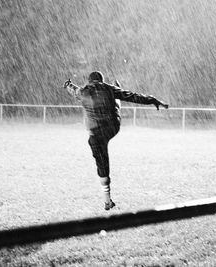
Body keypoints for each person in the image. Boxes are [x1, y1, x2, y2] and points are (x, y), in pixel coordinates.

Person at [64, 71, 169, 210]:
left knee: (102, 165)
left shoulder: (82, 91)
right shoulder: (108, 88)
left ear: (89, 81)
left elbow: (72, 90)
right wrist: (152, 99)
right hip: (111, 127)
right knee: (116, 100)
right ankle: (108, 202)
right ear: (101, 80)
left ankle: (106, 199)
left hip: (95, 134)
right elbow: (133, 96)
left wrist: (68, 85)